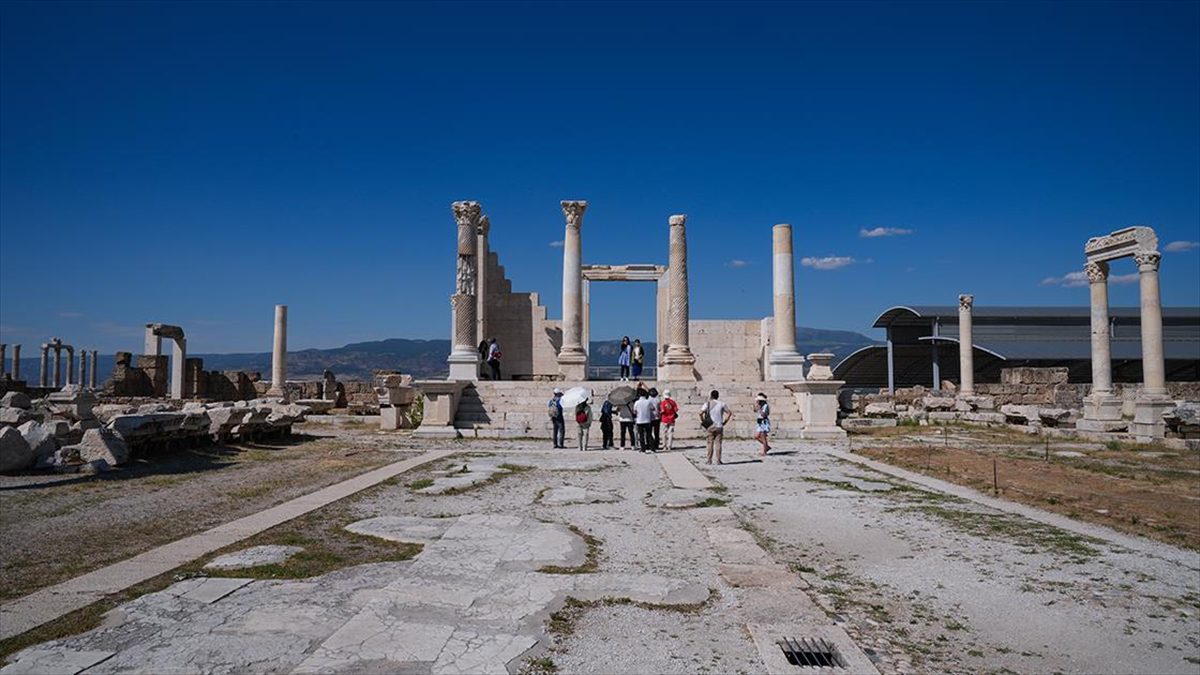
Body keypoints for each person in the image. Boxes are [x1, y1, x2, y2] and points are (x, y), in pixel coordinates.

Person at [701, 390, 733, 465]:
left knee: (710, 443)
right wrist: (725, 421)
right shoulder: (722, 404)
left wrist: (703, 421)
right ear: (718, 396)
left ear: (711, 396)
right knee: (718, 443)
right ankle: (718, 460)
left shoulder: (707, 404)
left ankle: (709, 460)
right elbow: (729, 413)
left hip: (710, 425)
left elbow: (700, 413)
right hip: (719, 425)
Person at [634, 388, 655, 453]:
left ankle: (643, 448)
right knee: (649, 435)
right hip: (647, 420)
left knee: (641, 435)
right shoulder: (648, 402)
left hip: (640, 420)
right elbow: (653, 408)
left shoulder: (637, 402)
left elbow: (634, 411)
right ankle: (652, 448)